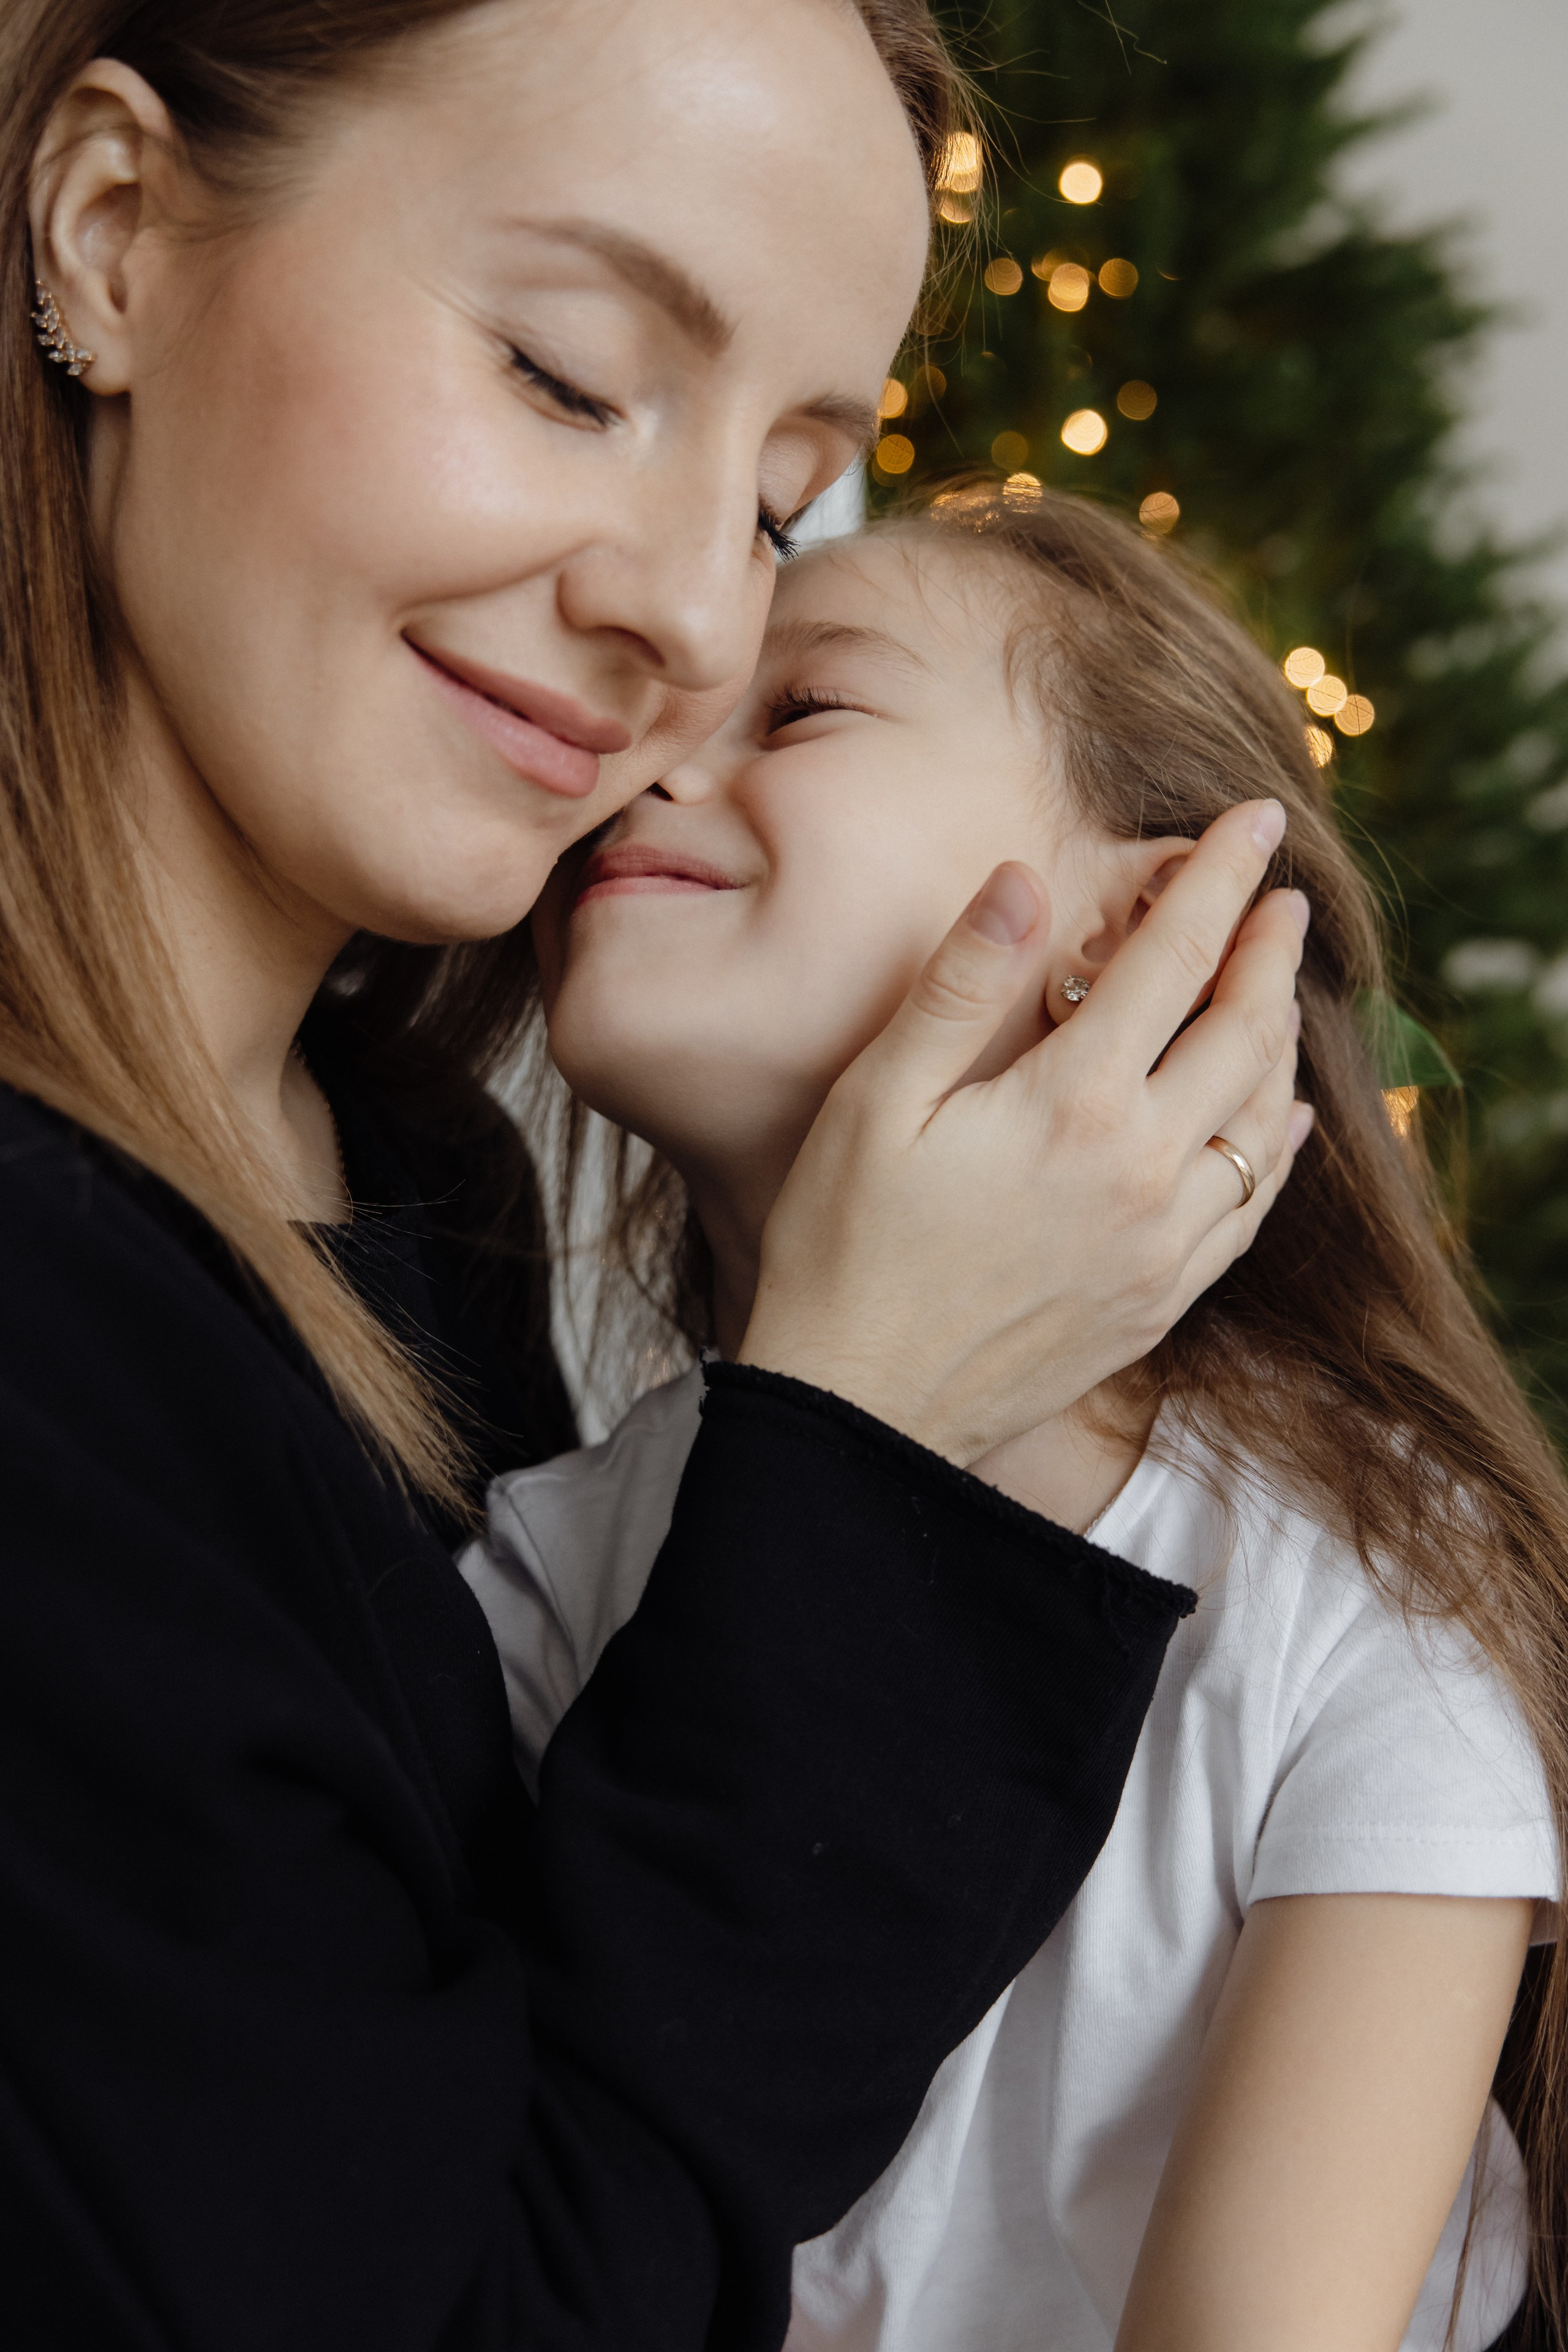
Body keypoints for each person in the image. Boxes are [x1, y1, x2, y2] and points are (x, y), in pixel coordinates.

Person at [0, 6, 1309, 2347]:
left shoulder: (426, 1186)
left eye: (786, 500)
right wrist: (874, 1437)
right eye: (571, 374)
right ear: (111, 234)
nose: (705, 619)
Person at [472, 487, 1568, 2352]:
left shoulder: (1382, 1589)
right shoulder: (540, 1568)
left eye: (802, 708)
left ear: (1157, 925)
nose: (643, 760)